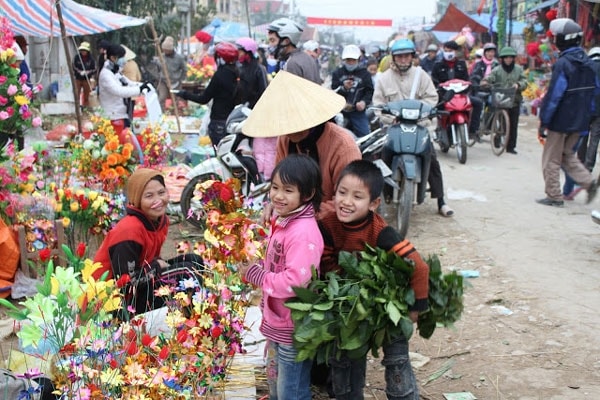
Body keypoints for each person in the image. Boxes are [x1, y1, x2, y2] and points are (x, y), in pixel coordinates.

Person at [319, 160, 429, 400]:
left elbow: (419, 267)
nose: (346, 202)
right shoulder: (326, 226)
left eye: (357, 197)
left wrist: (415, 309)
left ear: (374, 204)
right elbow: (326, 265)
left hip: (387, 304)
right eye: (342, 193)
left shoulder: (381, 232)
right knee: (345, 365)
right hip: (348, 306)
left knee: (397, 360)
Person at [239, 154, 324, 400]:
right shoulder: (285, 220)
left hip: (292, 327)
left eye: (288, 190)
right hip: (278, 321)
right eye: (275, 187)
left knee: (291, 392)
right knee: (276, 384)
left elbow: (295, 282)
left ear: (307, 195)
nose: (278, 196)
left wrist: (257, 275)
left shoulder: (303, 233)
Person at [242, 70, 362, 218]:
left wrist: (304, 216)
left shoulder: (343, 147)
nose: (289, 132)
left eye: (295, 125)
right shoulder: (285, 139)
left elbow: (348, 202)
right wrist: (275, 205)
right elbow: (281, 181)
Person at [93, 168, 204, 315]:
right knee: (186, 272)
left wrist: (155, 265)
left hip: (141, 286)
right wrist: (156, 266)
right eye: (149, 196)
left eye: (161, 192)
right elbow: (125, 284)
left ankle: (192, 314)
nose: (158, 200)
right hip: (117, 304)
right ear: (137, 199)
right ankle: (195, 320)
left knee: (195, 261)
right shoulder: (129, 232)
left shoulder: (159, 221)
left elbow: (147, 261)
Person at [373, 38, 455, 217]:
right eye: (399, 56)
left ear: (412, 57)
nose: (403, 59)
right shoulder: (383, 79)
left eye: (406, 56)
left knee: (431, 158)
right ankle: (378, 197)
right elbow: (378, 104)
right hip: (393, 128)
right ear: (393, 58)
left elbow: (432, 98)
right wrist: (389, 118)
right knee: (379, 157)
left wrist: (421, 113)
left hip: (418, 126)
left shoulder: (422, 75)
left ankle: (441, 200)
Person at [537, 18, 598, 207]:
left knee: (551, 159)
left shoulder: (563, 63)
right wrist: (587, 118)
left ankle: (554, 196)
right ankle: (588, 182)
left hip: (561, 120)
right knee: (567, 155)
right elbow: (594, 93)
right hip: (581, 120)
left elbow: (555, 96)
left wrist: (544, 120)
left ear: (563, 40)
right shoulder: (588, 63)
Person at [176, 42, 242, 147]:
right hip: (232, 120)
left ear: (220, 58)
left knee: (219, 154)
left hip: (218, 121)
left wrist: (185, 94)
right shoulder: (237, 72)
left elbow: (203, 99)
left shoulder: (220, 75)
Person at [431, 40, 482, 137]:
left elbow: (467, 79)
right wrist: (439, 88)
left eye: (450, 51)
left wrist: (470, 85)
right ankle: (439, 129)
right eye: (445, 51)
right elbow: (434, 80)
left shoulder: (461, 65)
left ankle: (473, 130)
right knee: (434, 107)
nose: (448, 53)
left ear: (455, 52)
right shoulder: (438, 65)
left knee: (478, 103)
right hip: (444, 96)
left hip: (460, 96)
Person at [98, 44, 150, 139]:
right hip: (112, 116)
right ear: (113, 58)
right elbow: (119, 91)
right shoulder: (106, 74)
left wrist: (142, 86)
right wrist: (139, 90)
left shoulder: (115, 72)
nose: (124, 60)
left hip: (121, 113)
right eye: (121, 57)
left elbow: (128, 83)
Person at [482, 46, 527, 154]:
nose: (508, 60)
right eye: (506, 58)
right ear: (502, 59)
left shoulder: (518, 69)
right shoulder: (497, 70)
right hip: (500, 100)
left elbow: (524, 81)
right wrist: (485, 82)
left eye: (510, 57)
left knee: (513, 124)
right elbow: (489, 78)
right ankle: (497, 137)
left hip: (514, 100)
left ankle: (511, 147)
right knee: (502, 123)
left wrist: (518, 84)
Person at [331, 44, 374, 137]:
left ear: (358, 59)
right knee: (331, 134)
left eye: (353, 60)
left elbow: (369, 91)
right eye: (348, 60)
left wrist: (363, 102)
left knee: (365, 136)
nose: (350, 63)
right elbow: (333, 90)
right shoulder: (337, 73)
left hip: (357, 112)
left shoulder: (365, 74)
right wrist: (344, 88)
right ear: (344, 60)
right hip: (339, 112)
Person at [267, 17, 321, 84]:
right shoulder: (307, 58)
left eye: (272, 40)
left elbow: (290, 92)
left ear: (286, 41)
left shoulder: (292, 63)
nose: (270, 45)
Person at [156, 36, 187, 108]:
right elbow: (156, 68)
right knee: (162, 98)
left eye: (167, 50)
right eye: (164, 50)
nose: (165, 51)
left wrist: (181, 79)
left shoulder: (179, 58)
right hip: (163, 81)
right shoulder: (161, 57)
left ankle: (175, 114)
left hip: (176, 81)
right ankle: (161, 113)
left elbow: (184, 69)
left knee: (176, 99)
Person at [585, 47, 600, 172]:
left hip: (586, 108)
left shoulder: (586, 67)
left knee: (582, 136)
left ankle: (580, 162)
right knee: (594, 139)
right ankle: (589, 165)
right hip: (599, 112)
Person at [73, 41, 96, 109]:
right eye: (82, 50)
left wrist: (87, 72)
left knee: (86, 94)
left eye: (84, 50)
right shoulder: (77, 57)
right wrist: (79, 71)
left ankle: (85, 108)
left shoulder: (91, 59)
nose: (83, 52)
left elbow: (94, 69)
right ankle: (76, 108)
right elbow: (74, 66)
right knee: (77, 93)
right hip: (78, 78)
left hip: (86, 79)